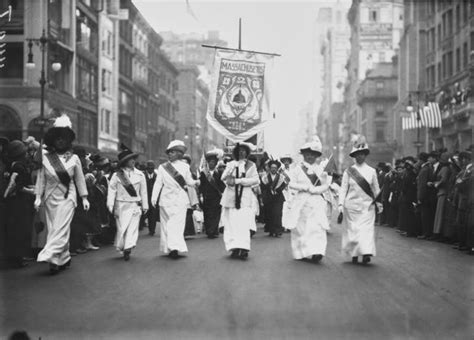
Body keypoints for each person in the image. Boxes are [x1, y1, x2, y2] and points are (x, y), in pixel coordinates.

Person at [35, 115, 89, 274]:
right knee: (55, 229)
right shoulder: (45, 158)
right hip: (51, 197)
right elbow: (41, 179)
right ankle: (62, 258)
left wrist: (84, 197)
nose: (60, 141)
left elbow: (79, 179)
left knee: (60, 226)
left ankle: (49, 254)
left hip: (68, 196)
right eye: (57, 138)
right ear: (53, 140)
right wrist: (38, 196)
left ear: (68, 141)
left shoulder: (74, 158)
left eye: (63, 138)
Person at [283, 138, 330, 263]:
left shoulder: (321, 169)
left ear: (316, 156)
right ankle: (301, 252)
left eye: (312, 154)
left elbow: (325, 186)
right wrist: (305, 188)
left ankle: (317, 251)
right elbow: (291, 184)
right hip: (301, 201)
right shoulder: (297, 169)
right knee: (301, 228)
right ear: (303, 155)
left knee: (317, 227)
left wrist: (316, 190)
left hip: (316, 202)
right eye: (307, 154)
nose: (310, 156)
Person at [151, 140, 199, 259]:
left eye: (172, 152)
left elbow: (189, 182)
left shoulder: (185, 167)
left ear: (179, 153)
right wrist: (154, 197)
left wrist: (197, 182)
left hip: (180, 199)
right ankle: (169, 247)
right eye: (169, 152)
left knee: (177, 224)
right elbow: (158, 183)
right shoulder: (162, 167)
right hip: (166, 199)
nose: (169, 154)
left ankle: (175, 247)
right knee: (166, 225)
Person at [338, 136, 382, 265]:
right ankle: (354, 254)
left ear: (365, 155)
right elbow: (343, 189)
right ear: (354, 156)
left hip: (367, 207)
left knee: (366, 230)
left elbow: (376, 190)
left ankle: (366, 253)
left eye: (362, 154)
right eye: (357, 154)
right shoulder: (348, 172)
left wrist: (379, 203)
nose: (360, 156)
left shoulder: (372, 171)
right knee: (353, 231)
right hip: (351, 207)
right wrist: (341, 204)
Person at [107, 145, 148, 261]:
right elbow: (111, 190)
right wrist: (110, 204)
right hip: (121, 205)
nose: (133, 161)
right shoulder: (117, 175)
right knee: (121, 229)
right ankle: (123, 246)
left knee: (132, 228)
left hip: (135, 204)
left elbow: (144, 192)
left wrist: (145, 205)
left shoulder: (140, 175)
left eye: (133, 158)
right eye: (130, 159)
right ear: (125, 162)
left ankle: (128, 248)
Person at [220, 142, 259, 260]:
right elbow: (223, 178)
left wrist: (240, 181)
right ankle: (234, 248)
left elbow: (256, 180)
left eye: (243, 150)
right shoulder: (231, 164)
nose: (241, 152)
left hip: (244, 199)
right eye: (239, 150)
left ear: (247, 152)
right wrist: (230, 169)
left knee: (243, 224)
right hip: (231, 198)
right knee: (231, 224)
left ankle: (244, 248)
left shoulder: (251, 165)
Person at [4, 140, 35, 268]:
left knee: (15, 230)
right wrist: (32, 191)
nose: (27, 154)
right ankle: (17, 258)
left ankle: (16, 257)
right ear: (20, 154)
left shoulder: (12, 165)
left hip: (15, 202)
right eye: (25, 152)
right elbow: (17, 186)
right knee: (20, 229)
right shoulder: (19, 167)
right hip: (20, 203)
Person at [199, 148, 225, 239]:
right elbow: (201, 185)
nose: (211, 163)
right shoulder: (203, 174)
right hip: (207, 197)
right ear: (208, 163)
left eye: (213, 162)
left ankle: (214, 230)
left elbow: (222, 185)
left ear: (216, 163)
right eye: (210, 162)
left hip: (216, 197)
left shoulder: (219, 173)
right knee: (207, 214)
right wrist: (201, 195)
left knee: (216, 214)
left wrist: (223, 193)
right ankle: (209, 230)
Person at [261, 159, 287, 237]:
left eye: (275, 168)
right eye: (272, 167)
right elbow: (262, 187)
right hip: (268, 197)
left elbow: (283, 185)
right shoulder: (265, 177)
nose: (273, 169)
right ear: (269, 168)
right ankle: (271, 230)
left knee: (277, 213)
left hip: (278, 197)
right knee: (269, 214)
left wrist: (278, 190)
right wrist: (268, 189)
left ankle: (278, 230)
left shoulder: (281, 177)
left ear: (277, 168)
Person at [431, 152, 451, 241]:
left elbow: (443, 180)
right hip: (442, 192)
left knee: (440, 214)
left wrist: (435, 184)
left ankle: (438, 232)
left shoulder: (445, 168)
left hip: (442, 192)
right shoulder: (446, 168)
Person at [182, 154, 200, 238]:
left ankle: (188, 231)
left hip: (189, 195)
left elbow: (194, 186)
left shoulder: (192, 174)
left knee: (188, 213)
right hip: (181, 195)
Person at [144, 160, 158, 236]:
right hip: (145, 198)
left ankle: (152, 230)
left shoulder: (157, 176)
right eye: (149, 168)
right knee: (146, 214)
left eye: (152, 168)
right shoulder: (143, 176)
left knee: (153, 215)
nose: (150, 170)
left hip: (154, 199)